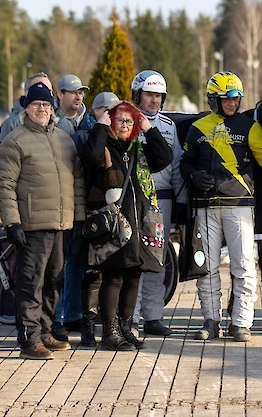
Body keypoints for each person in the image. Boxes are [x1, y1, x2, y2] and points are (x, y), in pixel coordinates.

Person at [180, 71, 262, 343]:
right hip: (205, 207)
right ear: (214, 99)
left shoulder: (250, 127)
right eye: (226, 99)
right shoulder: (198, 127)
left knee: (243, 266)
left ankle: (241, 323)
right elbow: (185, 162)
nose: (232, 103)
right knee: (207, 267)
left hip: (240, 206)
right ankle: (211, 321)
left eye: (236, 98)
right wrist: (193, 175)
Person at [0, 82, 86, 360]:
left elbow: (77, 180)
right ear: (27, 108)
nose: (42, 109)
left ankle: (46, 331)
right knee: (31, 283)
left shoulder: (63, 139)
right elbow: (4, 184)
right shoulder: (16, 140)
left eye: (46, 105)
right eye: (36, 105)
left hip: (61, 224)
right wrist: (12, 223)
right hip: (32, 225)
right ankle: (29, 338)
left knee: (53, 281)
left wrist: (78, 218)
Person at [78, 100, 172, 351]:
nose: (125, 125)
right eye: (120, 120)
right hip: (113, 223)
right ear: (110, 121)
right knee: (114, 275)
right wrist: (100, 128)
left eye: (129, 121)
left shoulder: (138, 148)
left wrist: (149, 129)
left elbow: (165, 157)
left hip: (138, 221)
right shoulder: (102, 144)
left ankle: (125, 328)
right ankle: (109, 333)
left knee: (134, 274)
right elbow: (90, 158)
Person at [130, 70, 185, 337]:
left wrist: (181, 201)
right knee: (132, 258)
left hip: (162, 199)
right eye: (149, 94)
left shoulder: (169, 125)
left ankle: (152, 316)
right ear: (138, 94)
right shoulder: (126, 119)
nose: (154, 100)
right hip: (133, 198)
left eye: (158, 95)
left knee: (157, 259)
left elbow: (176, 166)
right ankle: (129, 315)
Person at [71, 91, 124, 346]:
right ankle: (88, 326)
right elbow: (91, 160)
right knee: (92, 272)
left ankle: (109, 323)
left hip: (113, 211)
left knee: (110, 270)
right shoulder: (85, 134)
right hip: (93, 210)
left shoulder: (116, 136)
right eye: (110, 113)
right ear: (97, 112)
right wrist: (101, 128)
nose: (115, 118)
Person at [53, 74, 90, 337]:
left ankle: (75, 314)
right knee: (57, 263)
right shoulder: (51, 123)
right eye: (73, 92)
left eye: (81, 92)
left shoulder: (91, 122)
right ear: (60, 94)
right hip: (57, 203)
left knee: (77, 261)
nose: (78, 96)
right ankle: (54, 317)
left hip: (86, 202)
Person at [0, 72, 53, 148]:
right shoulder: (11, 124)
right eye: (40, 89)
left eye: (49, 91)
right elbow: (2, 156)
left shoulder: (54, 123)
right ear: (27, 93)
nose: (45, 93)